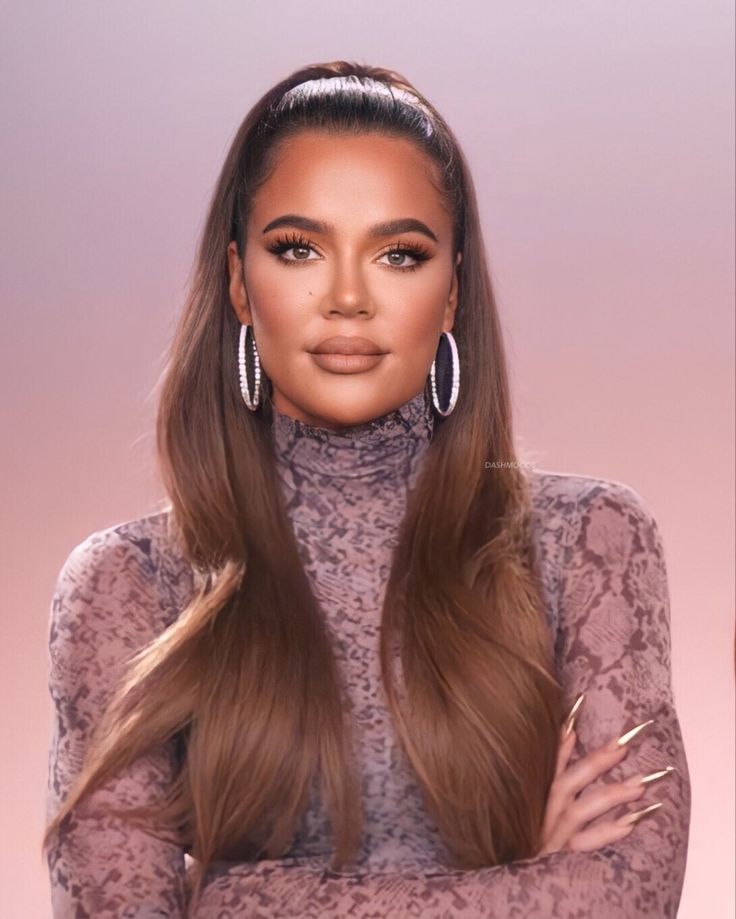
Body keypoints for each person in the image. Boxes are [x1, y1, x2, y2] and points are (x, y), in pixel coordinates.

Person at [41, 61, 691, 917]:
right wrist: (524, 884)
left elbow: (627, 899)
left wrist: (239, 896)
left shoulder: (590, 540)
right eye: (299, 248)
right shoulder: (130, 584)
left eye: (399, 254)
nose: (348, 298)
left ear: (452, 288)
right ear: (239, 282)